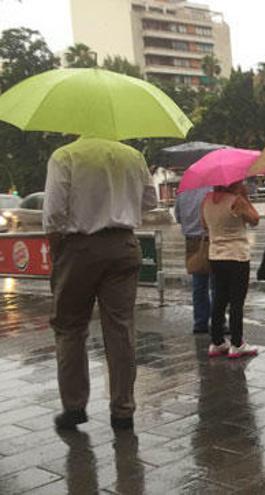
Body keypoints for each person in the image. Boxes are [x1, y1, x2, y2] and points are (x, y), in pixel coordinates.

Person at [44, 137, 157, 430]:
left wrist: (59, 254)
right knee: (120, 328)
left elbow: (53, 215)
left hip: (78, 247)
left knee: (70, 327)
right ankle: (123, 409)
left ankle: (74, 406)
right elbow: (150, 202)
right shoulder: (133, 156)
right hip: (124, 245)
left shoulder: (65, 156)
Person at [202, 181, 260, 359]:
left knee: (219, 298)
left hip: (216, 256)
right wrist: (245, 198)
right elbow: (255, 220)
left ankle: (217, 341)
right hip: (237, 256)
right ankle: (237, 343)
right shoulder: (237, 200)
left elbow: (204, 225)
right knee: (236, 301)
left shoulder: (206, 200)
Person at [174, 186, 222, 334]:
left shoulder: (182, 192)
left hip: (191, 241)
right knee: (217, 283)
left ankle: (200, 321)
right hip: (211, 238)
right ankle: (218, 322)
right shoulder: (212, 190)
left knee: (199, 282)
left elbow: (178, 217)